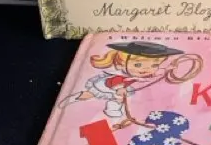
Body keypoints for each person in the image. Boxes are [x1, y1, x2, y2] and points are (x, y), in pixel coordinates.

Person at [62, 40, 198, 127]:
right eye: (138, 64)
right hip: (109, 85)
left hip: (122, 88)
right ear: (121, 63)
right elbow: (115, 82)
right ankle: (75, 97)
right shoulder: (119, 75)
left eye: (155, 65)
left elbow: (156, 73)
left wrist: (168, 68)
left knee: (117, 100)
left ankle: (113, 113)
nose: (146, 69)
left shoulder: (144, 73)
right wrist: (119, 88)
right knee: (92, 94)